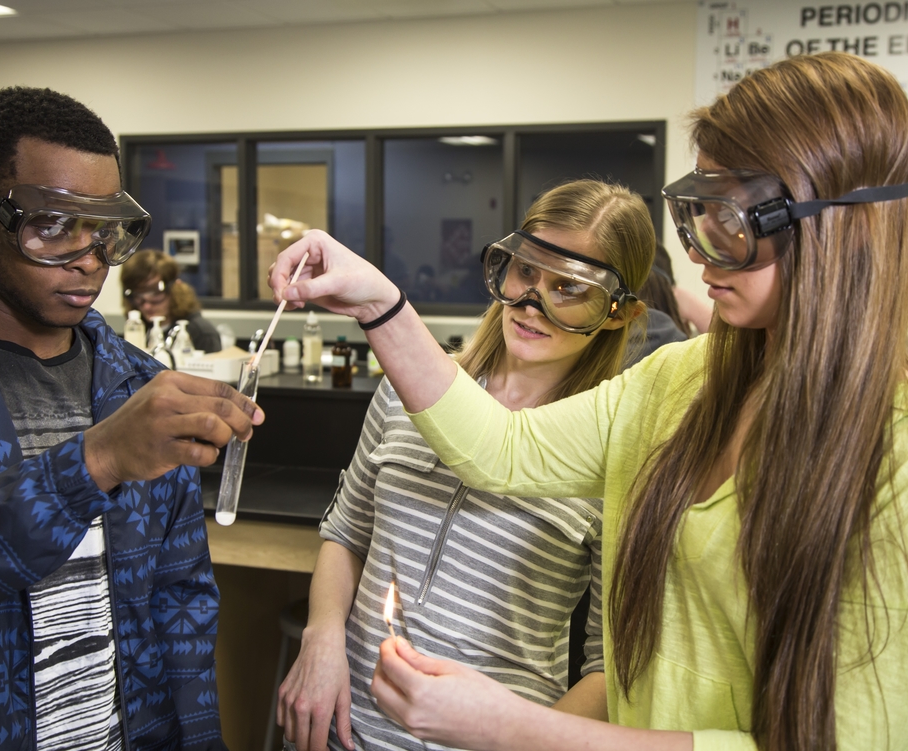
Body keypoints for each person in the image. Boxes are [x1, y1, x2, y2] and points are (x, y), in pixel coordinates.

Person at [265, 52, 908, 751]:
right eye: (700, 213)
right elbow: (500, 448)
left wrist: (513, 728)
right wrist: (379, 301)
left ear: (834, 226)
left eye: (735, 221)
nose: (702, 252)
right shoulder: (683, 379)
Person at [0, 86, 261, 750]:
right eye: (53, 225)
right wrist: (93, 462)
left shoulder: (138, 382)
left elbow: (181, 602)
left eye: (102, 230)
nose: (88, 257)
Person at [277, 179, 655, 751]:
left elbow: (610, 668)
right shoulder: (407, 387)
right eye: (526, 271)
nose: (533, 303)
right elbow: (346, 532)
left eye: (569, 288)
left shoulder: (613, 451)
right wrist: (321, 636)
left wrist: (511, 736)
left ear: (615, 315)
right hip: (346, 727)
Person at [121, 249, 223, 353]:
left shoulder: (202, 333)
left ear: (175, 289)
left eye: (155, 294)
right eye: (139, 297)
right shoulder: (141, 329)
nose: (147, 306)